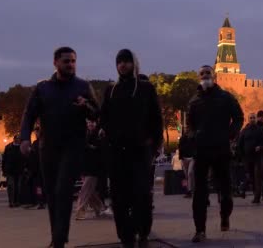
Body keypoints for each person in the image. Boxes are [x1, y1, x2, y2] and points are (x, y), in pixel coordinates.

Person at [20, 47, 99, 248]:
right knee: (52, 194)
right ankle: (57, 236)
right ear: (55, 63)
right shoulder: (42, 88)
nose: (71, 65)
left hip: (73, 146)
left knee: (63, 190)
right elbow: (29, 114)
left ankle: (58, 240)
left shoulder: (83, 86)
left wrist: (86, 107)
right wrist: (24, 138)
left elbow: (97, 114)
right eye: (66, 61)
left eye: (73, 61)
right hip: (48, 148)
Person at [99, 49, 163, 248]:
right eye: (119, 62)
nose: (123, 65)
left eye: (126, 61)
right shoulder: (111, 90)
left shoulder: (145, 88)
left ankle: (142, 231)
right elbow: (104, 117)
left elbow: (156, 119)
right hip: (117, 151)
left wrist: (153, 144)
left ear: (133, 64)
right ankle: (125, 236)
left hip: (140, 151)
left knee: (141, 194)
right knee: (119, 197)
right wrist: (107, 135)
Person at [187, 65, 244, 243]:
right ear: (199, 78)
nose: (205, 76)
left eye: (208, 73)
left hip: (221, 150)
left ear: (214, 77)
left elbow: (239, 117)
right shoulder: (194, 101)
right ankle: (200, 230)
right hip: (202, 150)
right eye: (202, 74)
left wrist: (230, 134)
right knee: (199, 192)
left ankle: (225, 215)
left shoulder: (225, 97)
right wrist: (193, 136)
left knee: (225, 190)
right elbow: (189, 124)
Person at [75, 119, 105, 220]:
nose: (90, 124)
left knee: (85, 189)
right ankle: (99, 207)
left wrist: (89, 147)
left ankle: (80, 210)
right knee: (90, 191)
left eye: (92, 122)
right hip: (84, 167)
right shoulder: (85, 135)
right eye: (88, 123)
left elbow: (99, 149)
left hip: (93, 167)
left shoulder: (99, 134)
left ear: (96, 123)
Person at [237, 113, 263, 204]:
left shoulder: (261, 130)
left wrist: (261, 147)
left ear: (256, 119)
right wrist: (241, 156)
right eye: (250, 118)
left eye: (253, 118)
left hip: (258, 158)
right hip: (248, 158)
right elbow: (240, 144)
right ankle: (252, 193)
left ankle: (257, 197)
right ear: (248, 119)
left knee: (258, 177)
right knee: (251, 177)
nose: (252, 119)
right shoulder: (244, 131)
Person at [3, 135, 25, 208]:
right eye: (17, 139)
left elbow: (25, 159)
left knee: (18, 187)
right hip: (10, 170)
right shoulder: (8, 147)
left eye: (19, 139)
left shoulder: (22, 147)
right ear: (14, 139)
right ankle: (11, 202)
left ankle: (17, 201)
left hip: (19, 170)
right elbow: (4, 159)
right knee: (11, 186)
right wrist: (4, 170)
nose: (18, 140)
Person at [179, 129, 197, 198]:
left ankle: (190, 190)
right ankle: (189, 190)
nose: (190, 133)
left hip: (192, 158)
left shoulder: (194, 139)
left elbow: (196, 148)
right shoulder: (183, 139)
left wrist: (195, 156)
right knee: (187, 175)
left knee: (190, 173)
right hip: (184, 158)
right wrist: (181, 157)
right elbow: (180, 147)